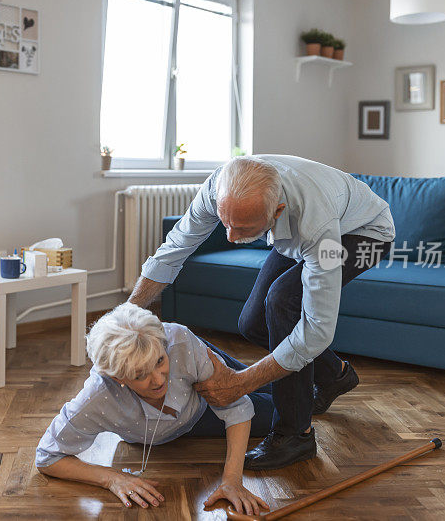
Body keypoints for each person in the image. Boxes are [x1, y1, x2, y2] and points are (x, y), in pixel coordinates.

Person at [127, 154, 395, 470]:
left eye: (242, 228)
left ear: (276, 212)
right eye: (226, 223)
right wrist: (125, 315)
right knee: (253, 322)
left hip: (364, 233)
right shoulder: (217, 187)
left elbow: (317, 328)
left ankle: (296, 435)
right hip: (300, 233)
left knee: (283, 301)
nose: (230, 237)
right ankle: (334, 376)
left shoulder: (317, 224)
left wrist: (243, 382)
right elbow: (172, 253)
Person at [35, 303, 274, 515]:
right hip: (197, 419)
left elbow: (236, 405)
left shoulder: (178, 340)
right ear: (117, 377)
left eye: (160, 361)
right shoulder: (96, 398)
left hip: (201, 377)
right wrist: (111, 479)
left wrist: (232, 480)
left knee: (283, 392)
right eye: (140, 375)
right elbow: (47, 457)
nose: (159, 380)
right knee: (278, 413)